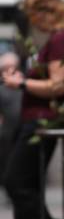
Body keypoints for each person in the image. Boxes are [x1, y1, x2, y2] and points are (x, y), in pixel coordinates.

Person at [0, 0, 64, 219]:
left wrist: (20, 83)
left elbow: (58, 86)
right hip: (35, 119)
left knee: (16, 182)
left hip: (43, 121)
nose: (31, 20)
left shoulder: (60, 40)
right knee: (27, 184)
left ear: (46, 11)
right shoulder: (54, 40)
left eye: (33, 13)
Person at [0, 52, 23, 205]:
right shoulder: (1, 89)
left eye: (12, 67)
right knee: (7, 165)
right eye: (6, 68)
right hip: (6, 134)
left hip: (24, 130)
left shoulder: (26, 85)